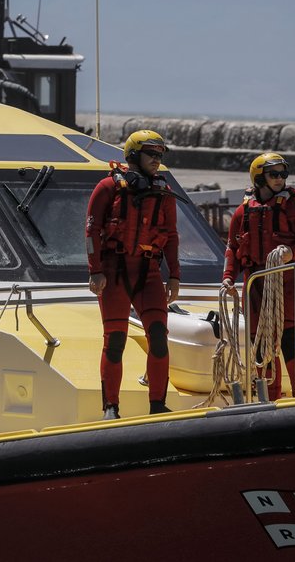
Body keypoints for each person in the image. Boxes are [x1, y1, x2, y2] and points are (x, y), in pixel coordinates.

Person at [85, 129, 180, 419]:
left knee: (159, 336)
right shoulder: (106, 187)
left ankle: (157, 406)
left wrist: (174, 275)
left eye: (160, 155)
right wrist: (95, 271)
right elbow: (92, 231)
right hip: (113, 271)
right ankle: (110, 407)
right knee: (115, 340)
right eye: (152, 153)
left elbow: (172, 236)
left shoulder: (164, 193)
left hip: (148, 271)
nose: (157, 160)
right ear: (135, 155)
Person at [222, 152, 295, 401]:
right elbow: (233, 248)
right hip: (255, 286)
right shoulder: (243, 212)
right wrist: (228, 277)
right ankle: (271, 401)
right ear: (259, 178)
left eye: (283, 174)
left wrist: (292, 252)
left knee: (290, 340)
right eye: (274, 174)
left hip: (290, 285)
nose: (280, 179)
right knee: (261, 346)